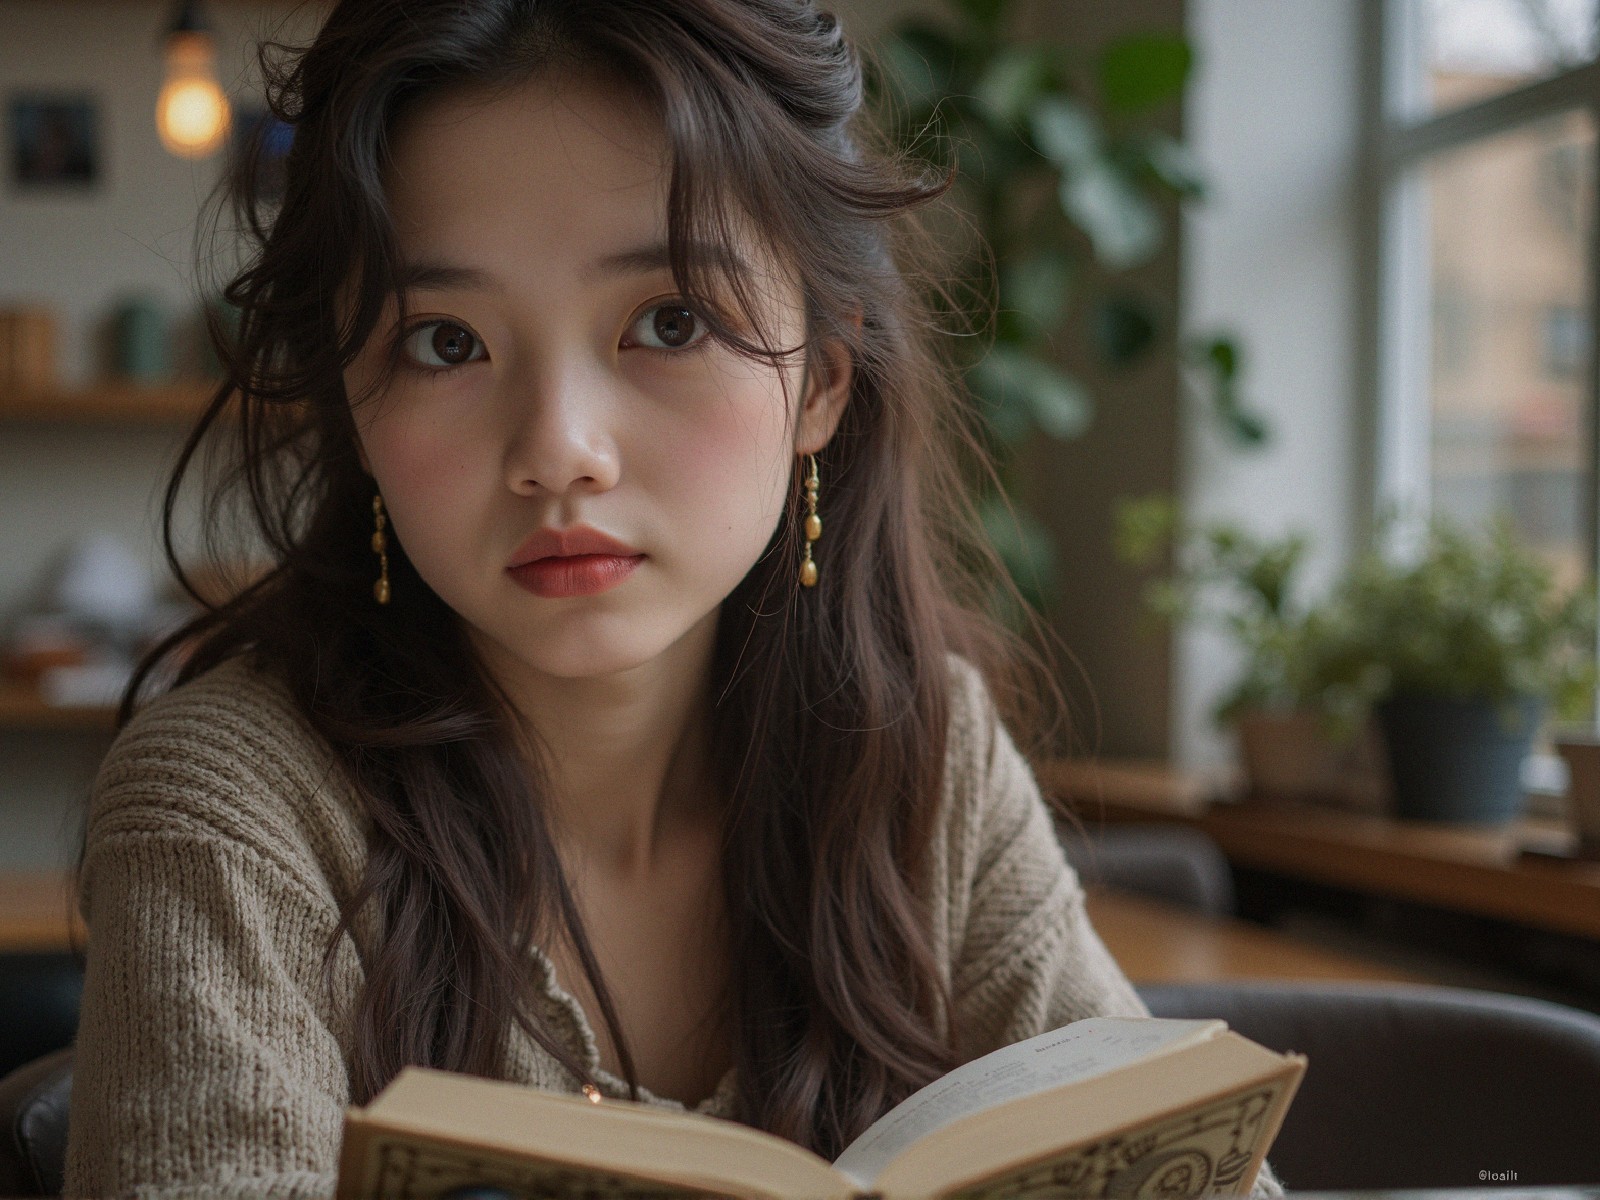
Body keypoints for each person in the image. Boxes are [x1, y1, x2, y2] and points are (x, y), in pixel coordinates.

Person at [64, 1, 1283, 1196]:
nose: (559, 450)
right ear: (354, 412)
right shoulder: (231, 811)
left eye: (669, 319)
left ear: (821, 383)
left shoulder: (923, 758)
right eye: (444, 342)